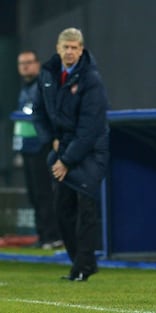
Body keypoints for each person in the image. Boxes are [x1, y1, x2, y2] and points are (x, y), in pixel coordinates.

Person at [33, 28, 110, 281]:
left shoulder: (91, 79)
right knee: (62, 210)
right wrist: (51, 140)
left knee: (86, 208)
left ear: (81, 49)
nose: (70, 52)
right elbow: (38, 112)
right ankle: (82, 261)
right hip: (62, 146)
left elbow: (90, 128)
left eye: (75, 47)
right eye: (66, 47)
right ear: (58, 48)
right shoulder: (47, 74)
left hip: (90, 151)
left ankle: (82, 267)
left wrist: (66, 161)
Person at [13, 50, 62, 250]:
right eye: (21, 63)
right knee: (35, 194)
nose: (25, 66)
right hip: (27, 147)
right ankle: (43, 236)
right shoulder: (25, 89)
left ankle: (52, 236)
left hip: (41, 145)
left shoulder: (43, 86)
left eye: (29, 62)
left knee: (44, 193)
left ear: (37, 64)